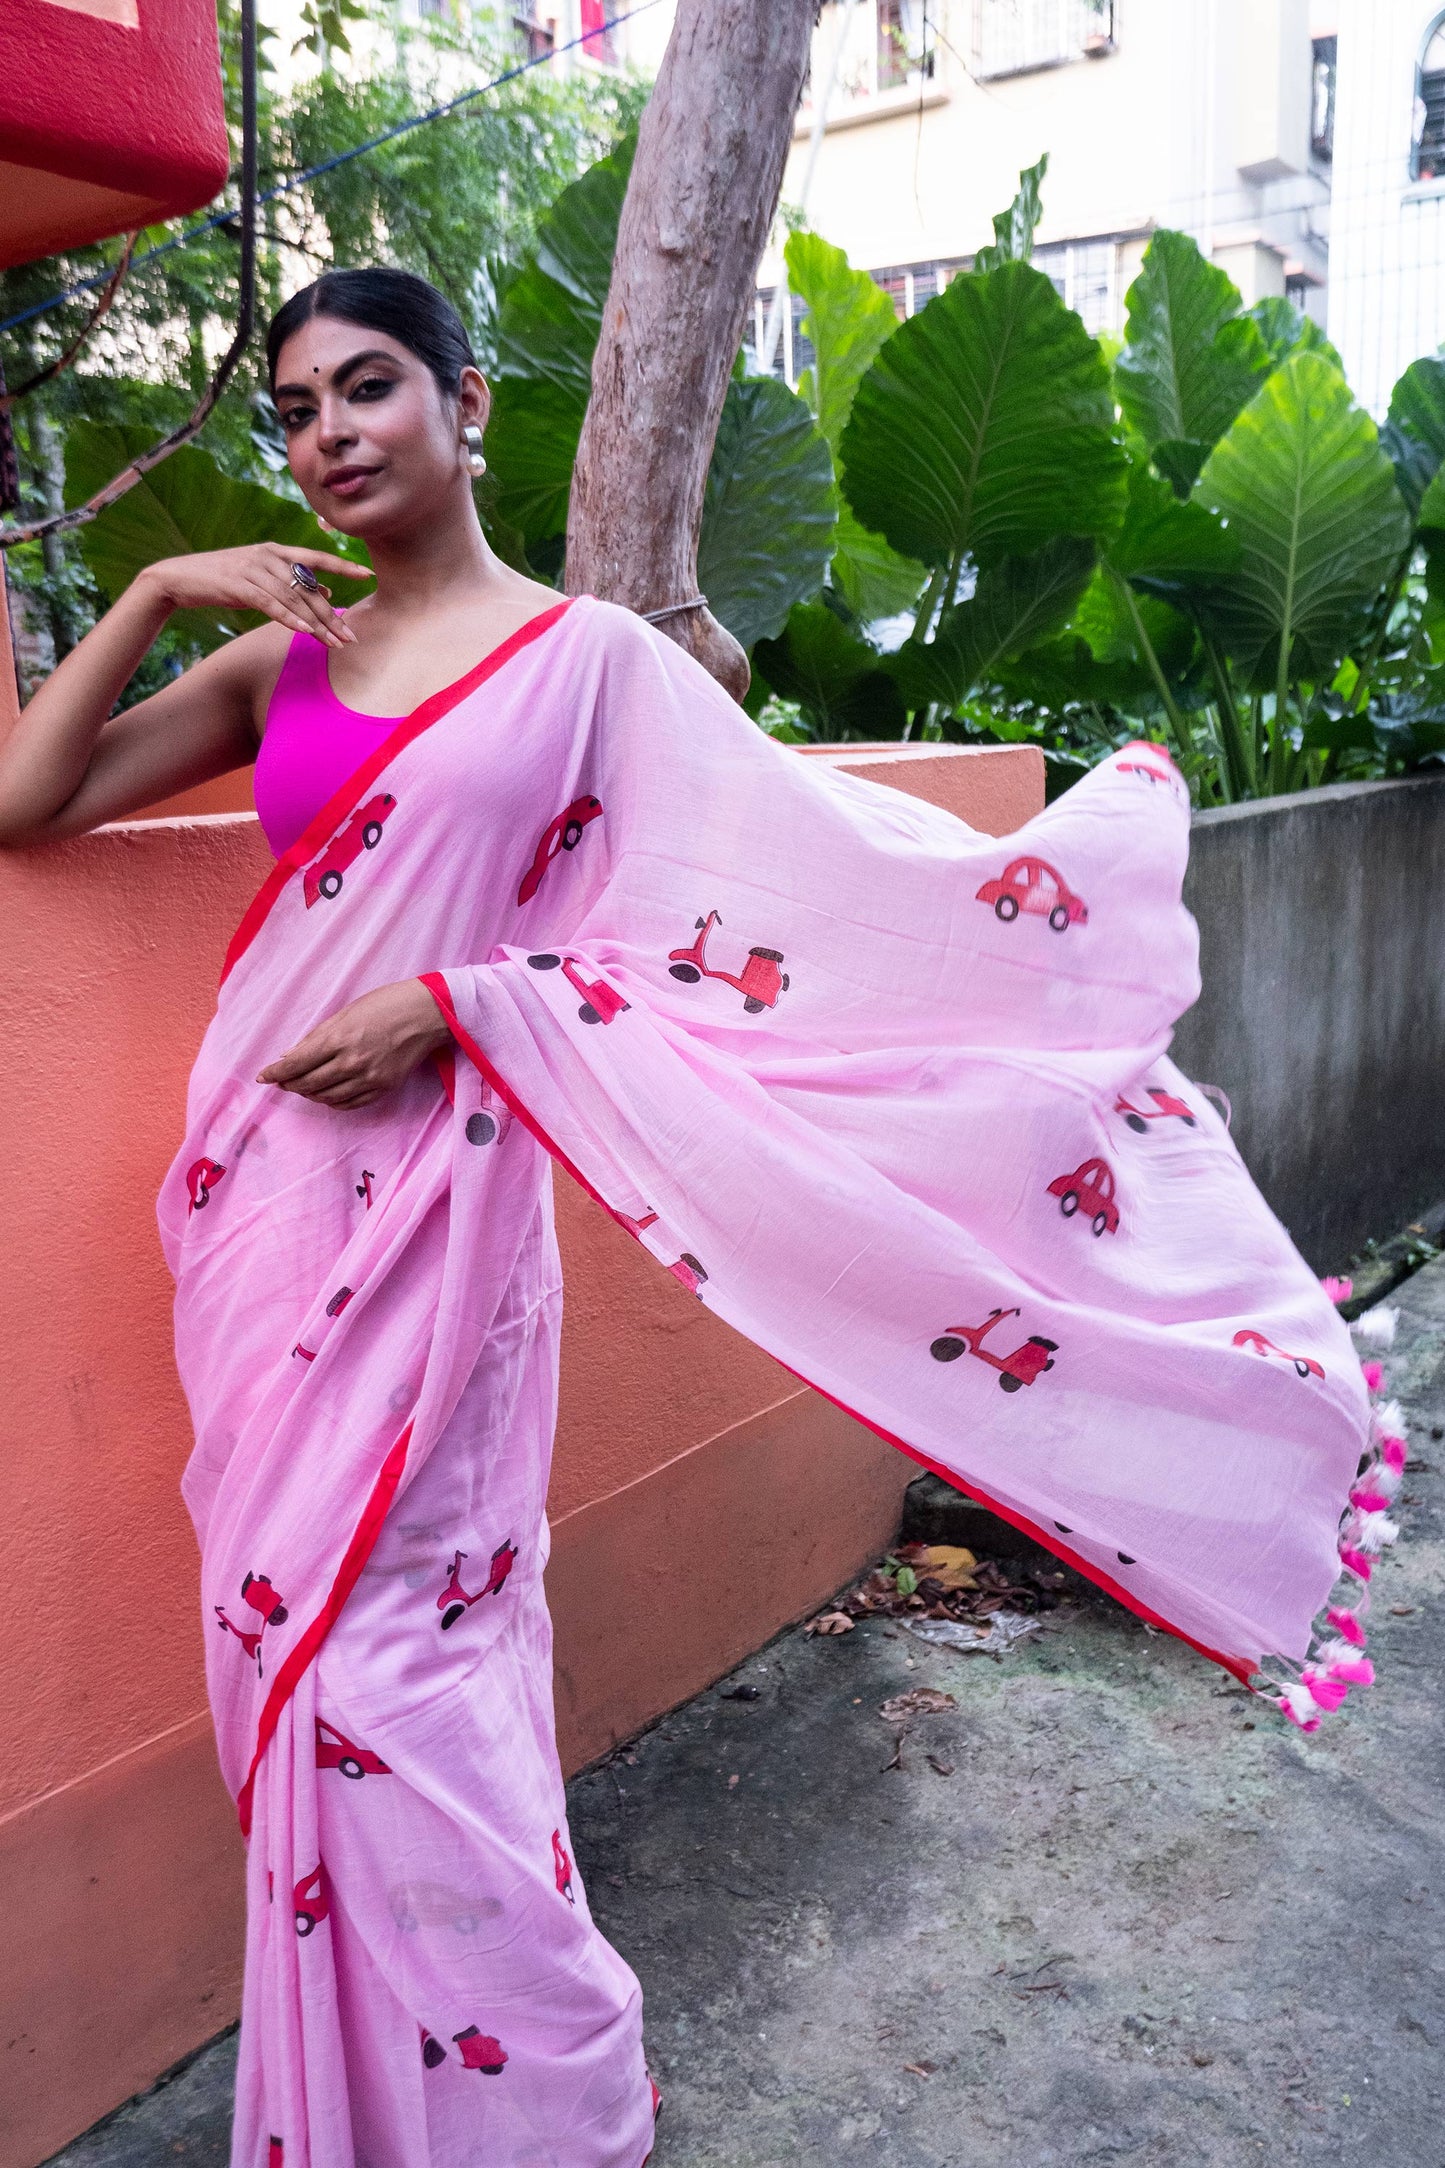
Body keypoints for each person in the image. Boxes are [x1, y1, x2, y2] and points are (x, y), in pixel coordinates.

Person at [0, 268, 1391, 2168]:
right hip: (255, 1195)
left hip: (444, 1199)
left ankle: (537, 2071)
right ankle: (354, 2100)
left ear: (466, 402)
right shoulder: (277, 672)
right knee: (277, 1642)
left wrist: (468, 1001)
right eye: (300, 405)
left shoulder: (591, 663)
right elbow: (23, 804)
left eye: (370, 386)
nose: (329, 432)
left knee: (389, 1646)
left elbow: (767, 909)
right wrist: (159, 595)